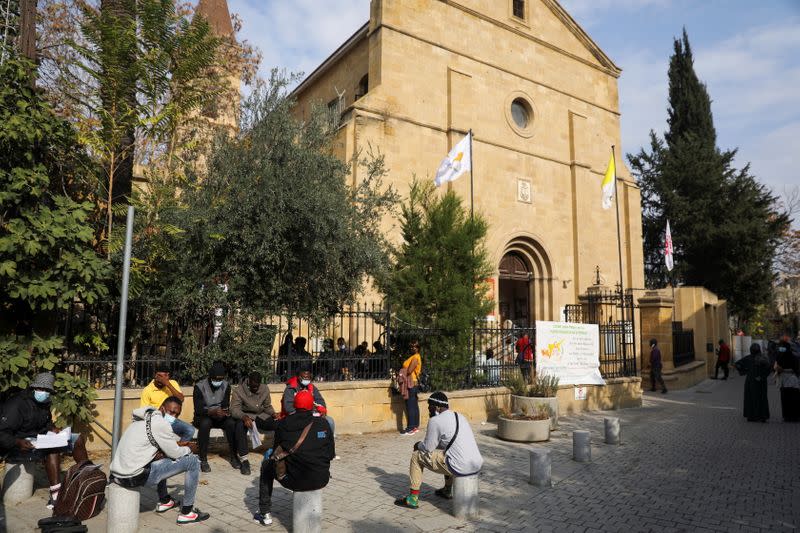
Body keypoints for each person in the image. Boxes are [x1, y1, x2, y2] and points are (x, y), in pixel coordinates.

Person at [110, 396, 210, 524]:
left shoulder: (143, 419)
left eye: (177, 414)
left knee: (162, 457)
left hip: (118, 474)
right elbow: (175, 453)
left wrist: (178, 446)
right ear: (162, 408)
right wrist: (190, 449)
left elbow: (165, 448)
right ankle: (187, 513)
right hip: (133, 477)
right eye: (171, 411)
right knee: (193, 462)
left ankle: (165, 501)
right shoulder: (160, 424)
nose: (173, 416)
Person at [0, 373, 88, 510]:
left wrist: (53, 429)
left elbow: (45, 423)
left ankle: (87, 476)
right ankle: (56, 495)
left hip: (40, 438)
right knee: (52, 449)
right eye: (41, 388)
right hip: (19, 442)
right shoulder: (17, 403)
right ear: (34, 387)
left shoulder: (44, 402)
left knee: (77, 439)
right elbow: (2, 432)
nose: (44, 392)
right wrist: (17, 442)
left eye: (47, 390)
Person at [253, 390, 335, 526]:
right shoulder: (324, 423)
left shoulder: (283, 424)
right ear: (312, 406)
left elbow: (276, 453)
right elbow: (330, 454)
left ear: (294, 405)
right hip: (321, 479)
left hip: (294, 481)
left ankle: (264, 513)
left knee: (267, 464)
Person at [394, 391, 483, 509]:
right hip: (476, 464)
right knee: (447, 453)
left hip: (460, 466)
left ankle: (413, 499)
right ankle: (447, 490)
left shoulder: (435, 421)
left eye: (430, 407)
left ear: (437, 407)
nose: (428, 410)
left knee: (416, 456)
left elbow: (428, 448)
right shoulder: (460, 416)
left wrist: (418, 444)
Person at [193, 361, 247, 473]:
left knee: (231, 423)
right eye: (216, 379)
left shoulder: (226, 386)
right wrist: (212, 412)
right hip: (204, 415)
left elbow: (225, 404)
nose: (218, 382)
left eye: (220, 380)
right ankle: (203, 459)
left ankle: (233, 456)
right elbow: (198, 409)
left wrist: (224, 412)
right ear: (210, 377)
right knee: (205, 424)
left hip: (219, 415)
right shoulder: (199, 386)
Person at [230, 372, 278, 475]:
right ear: (248, 382)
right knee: (239, 427)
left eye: (257, 386)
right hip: (244, 417)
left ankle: (277, 453)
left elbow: (267, 406)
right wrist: (244, 417)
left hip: (260, 416)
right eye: (253, 386)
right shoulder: (239, 391)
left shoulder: (264, 389)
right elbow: (234, 409)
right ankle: (244, 460)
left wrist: (273, 414)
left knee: (278, 425)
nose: (256, 388)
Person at [140, 363, 195, 442]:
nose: (161, 379)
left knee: (190, 430)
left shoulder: (172, 383)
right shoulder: (147, 390)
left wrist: (168, 384)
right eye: (159, 376)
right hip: (156, 420)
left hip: (170, 419)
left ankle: (178, 451)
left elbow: (181, 399)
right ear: (155, 375)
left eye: (164, 376)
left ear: (168, 376)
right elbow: (144, 412)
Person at [280, 365, 336, 436]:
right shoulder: (290, 389)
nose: (306, 379)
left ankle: (323, 440)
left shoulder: (312, 387)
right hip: (295, 417)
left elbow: (320, 401)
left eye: (308, 377)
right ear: (298, 377)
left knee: (329, 421)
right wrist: (304, 414)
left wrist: (320, 411)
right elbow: (288, 407)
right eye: (304, 377)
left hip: (312, 415)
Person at [734, 344, 771, 422]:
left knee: (751, 398)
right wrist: (762, 377)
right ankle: (762, 416)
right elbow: (768, 369)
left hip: (751, 381)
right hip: (761, 382)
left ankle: (752, 416)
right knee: (762, 398)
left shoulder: (749, 358)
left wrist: (746, 370)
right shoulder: (764, 357)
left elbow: (737, 364)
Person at [774, 332, 800, 422]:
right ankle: (795, 416)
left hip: (784, 379)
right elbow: (797, 369)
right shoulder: (794, 357)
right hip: (793, 379)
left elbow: (776, 367)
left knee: (785, 398)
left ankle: (786, 416)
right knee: (794, 397)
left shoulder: (779, 356)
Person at [400, 341, 422, 435]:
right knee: (414, 405)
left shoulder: (416, 357)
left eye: (415, 347)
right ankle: (415, 426)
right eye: (411, 347)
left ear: (418, 348)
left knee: (410, 405)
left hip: (411, 382)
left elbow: (409, 370)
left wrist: (401, 372)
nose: (413, 348)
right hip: (412, 382)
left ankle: (410, 428)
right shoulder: (414, 356)